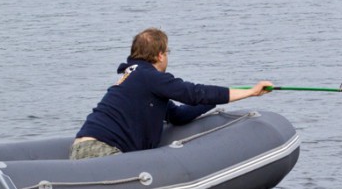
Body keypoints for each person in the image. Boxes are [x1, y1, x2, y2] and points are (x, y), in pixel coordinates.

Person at [71, 28, 273, 160]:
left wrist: (214, 100)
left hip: (82, 148)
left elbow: (178, 115)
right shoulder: (150, 76)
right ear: (160, 55)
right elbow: (193, 93)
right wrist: (251, 92)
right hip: (100, 151)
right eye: (167, 52)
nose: (167, 56)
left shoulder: (135, 78)